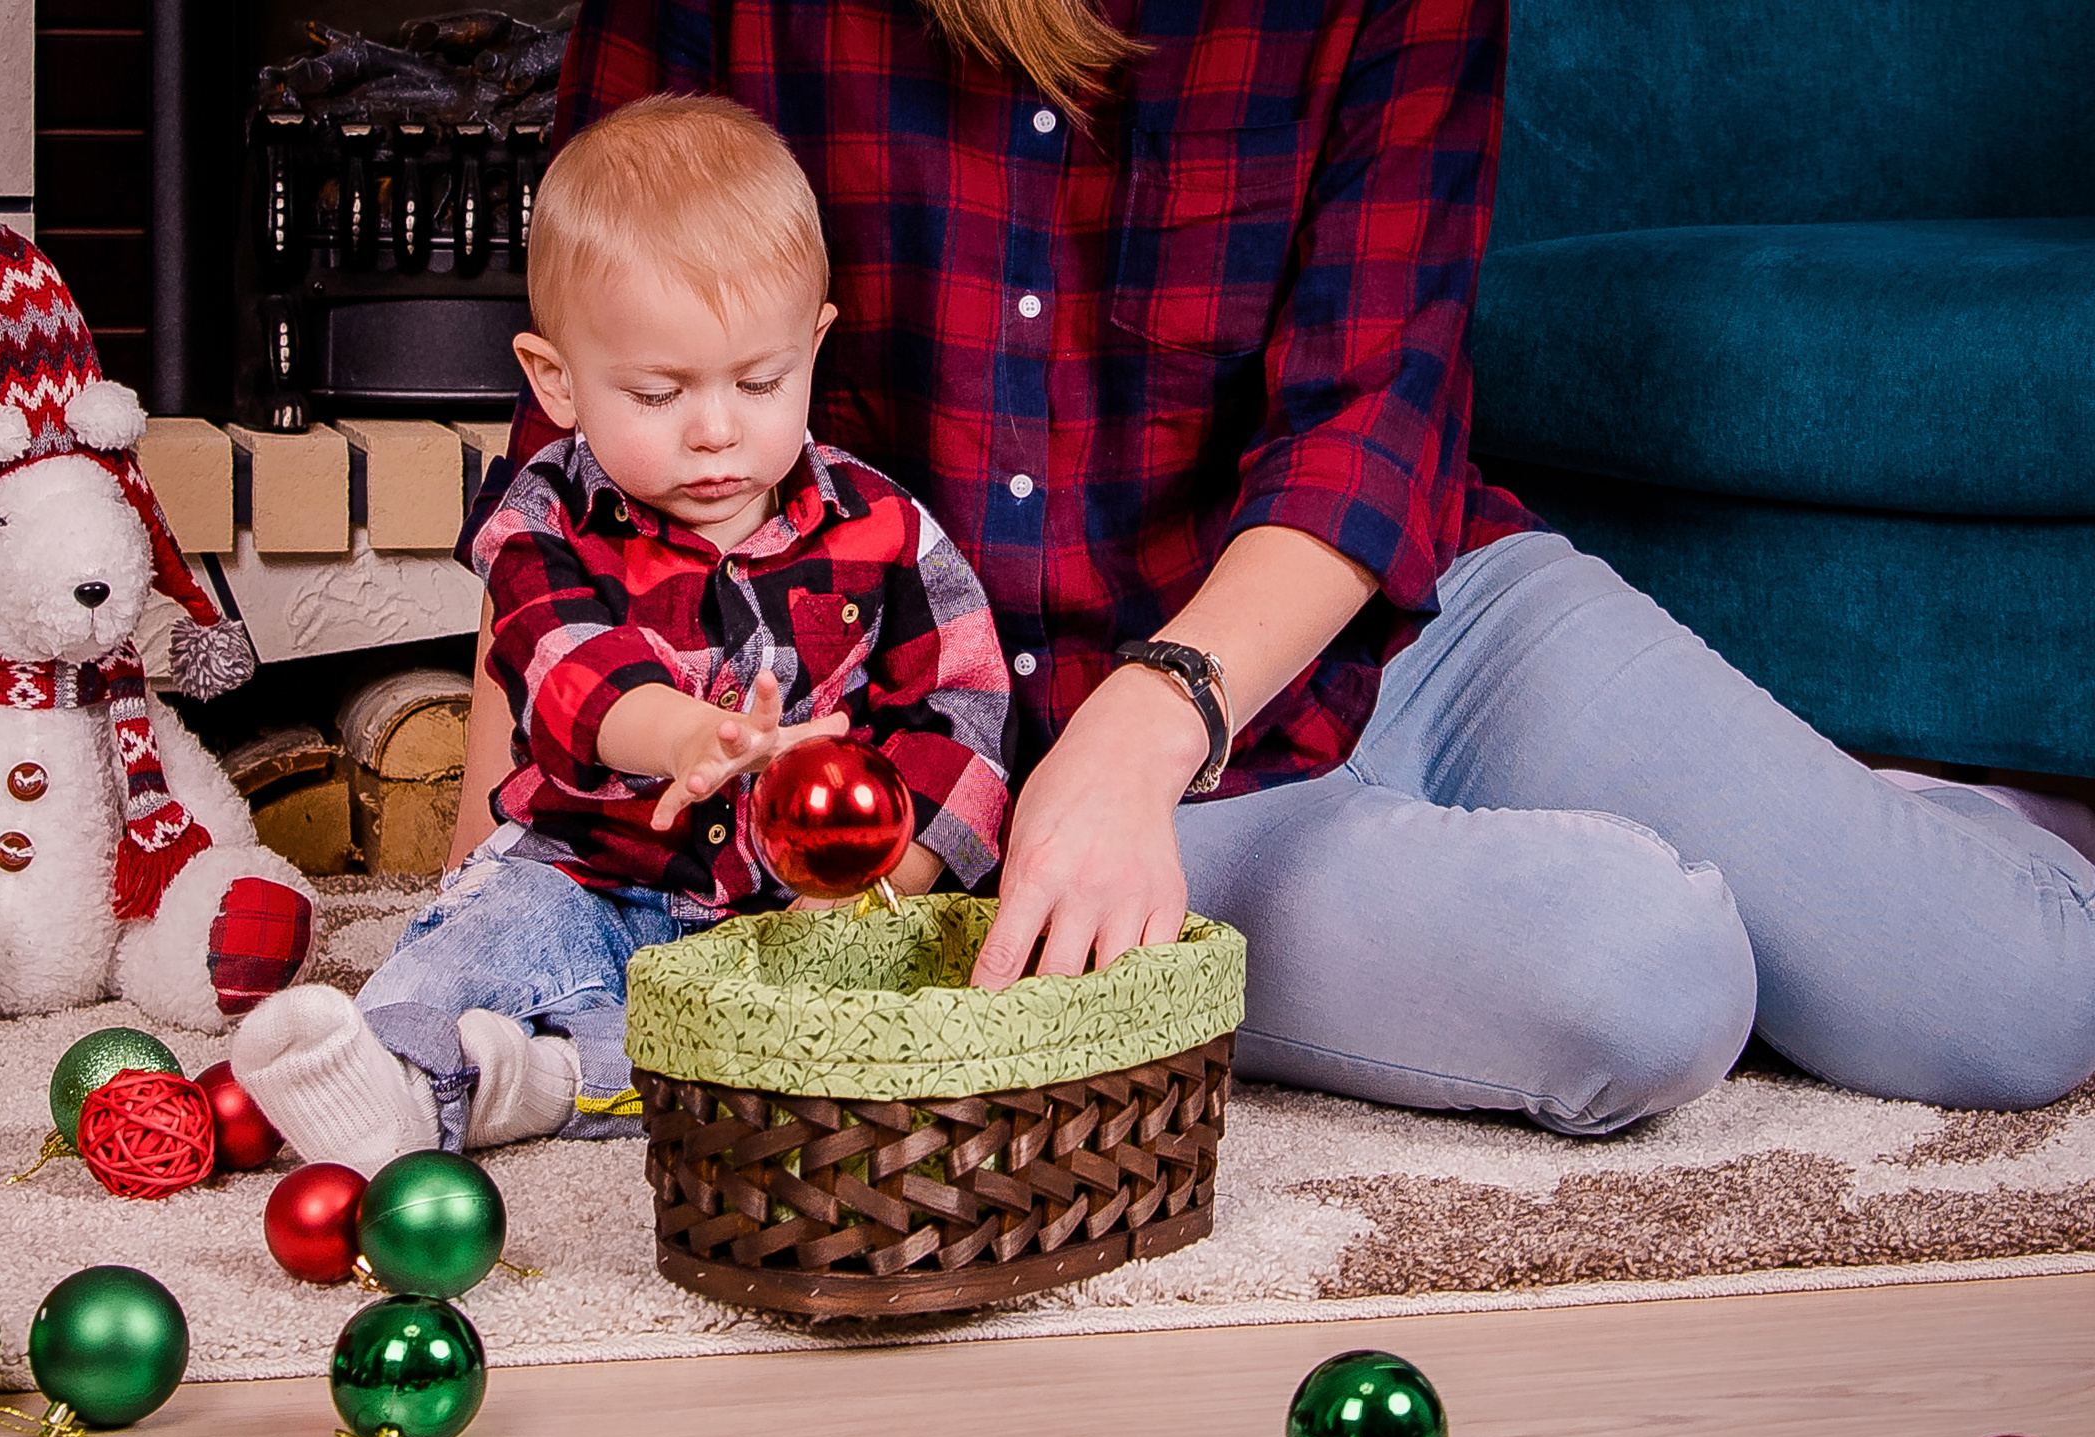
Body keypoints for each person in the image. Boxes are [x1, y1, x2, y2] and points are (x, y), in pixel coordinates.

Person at [439, 0, 2095, 1136]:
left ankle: (1905, 825)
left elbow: (1378, 408)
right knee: (1646, 985)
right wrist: (501, 867)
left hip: (1399, 616)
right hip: (1015, 785)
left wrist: (1151, 718)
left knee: (2016, 1005)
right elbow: (582, 425)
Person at [233, 95, 1011, 1168]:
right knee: (479, 939)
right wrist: (684, 737)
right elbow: (569, 672)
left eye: (761, 380)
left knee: (815, 1055)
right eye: (657, 392)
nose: (716, 429)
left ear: (814, 345)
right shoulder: (536, 519)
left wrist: (894, 880)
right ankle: (388, 1062)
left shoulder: (884, 529)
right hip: (588, 879)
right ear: (557, 382)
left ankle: (532, 1079)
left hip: (789, 919)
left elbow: (963, 702)